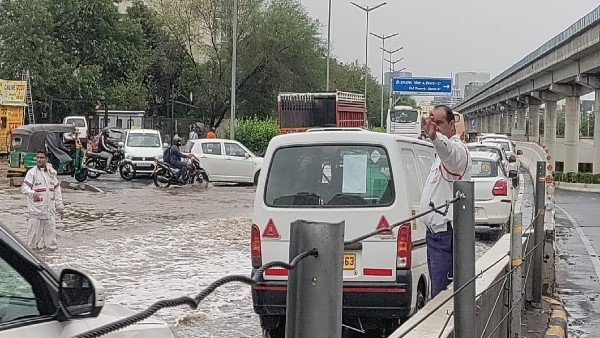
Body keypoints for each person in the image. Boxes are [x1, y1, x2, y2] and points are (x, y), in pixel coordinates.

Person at [419, 105, 471, 297]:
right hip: (435, 236)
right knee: (437, 292)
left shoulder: (458, 152)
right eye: (433, 122)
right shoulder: (440, 155)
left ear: (452, 125)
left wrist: (434, 137)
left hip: (445, 236)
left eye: (439, 123)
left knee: (442, 296)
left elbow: (449, 152)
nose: (436, 127)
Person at [21, 150, 65, 251]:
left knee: (51, 245)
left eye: (41, 158)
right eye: (38, 158)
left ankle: (50, 263)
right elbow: (24, 188)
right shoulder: (32, 173)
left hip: (49, 214)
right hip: (36, 213)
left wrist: (60, 207)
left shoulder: (51, 173)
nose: (39, 160)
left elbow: (57, 192)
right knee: (32, 245)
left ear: (46, 159)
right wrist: (33, 194)